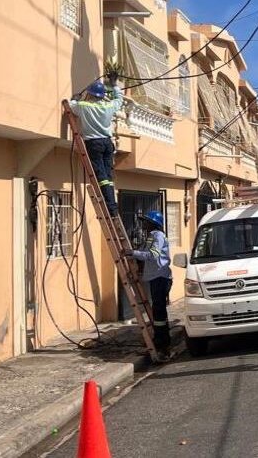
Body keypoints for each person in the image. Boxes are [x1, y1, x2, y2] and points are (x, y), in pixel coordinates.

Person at [66, 76, 125, 215]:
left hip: (94, 143)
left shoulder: (83, 106)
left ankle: (111, 207)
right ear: (102, 95)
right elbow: (119, 100)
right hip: (107, 143)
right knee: (108, 176)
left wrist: (75, 99)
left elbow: (71, 105)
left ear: (90, 94)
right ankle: (113, 206)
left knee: (102, 177)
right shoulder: (109, 106)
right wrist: (115, 85)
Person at [129, 210, 172, 361]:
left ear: (153, 223)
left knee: (159, 313)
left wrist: (133, 253)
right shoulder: (151, 236)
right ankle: (161, 341)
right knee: (158, 312)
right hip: (155, 277)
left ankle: (163, 344)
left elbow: (153, 255)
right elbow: (145, 252)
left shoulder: (158, 235)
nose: (144, 224)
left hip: (160, 277)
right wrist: (135, 251)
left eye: (146, 222)